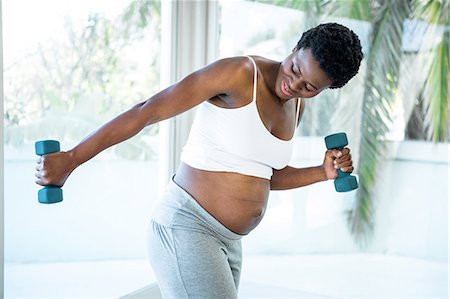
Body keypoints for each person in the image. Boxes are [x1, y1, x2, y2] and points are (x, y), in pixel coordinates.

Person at [35, 22, 363, 298]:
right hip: (188, 228)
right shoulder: (239, 74)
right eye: (295, 70)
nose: (294, 86)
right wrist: (72, 158)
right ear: (295, 49)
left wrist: (322, 172)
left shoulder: (296, 107)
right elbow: (146, 111)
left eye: (310, 87)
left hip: (229, 242)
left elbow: (263, 175)